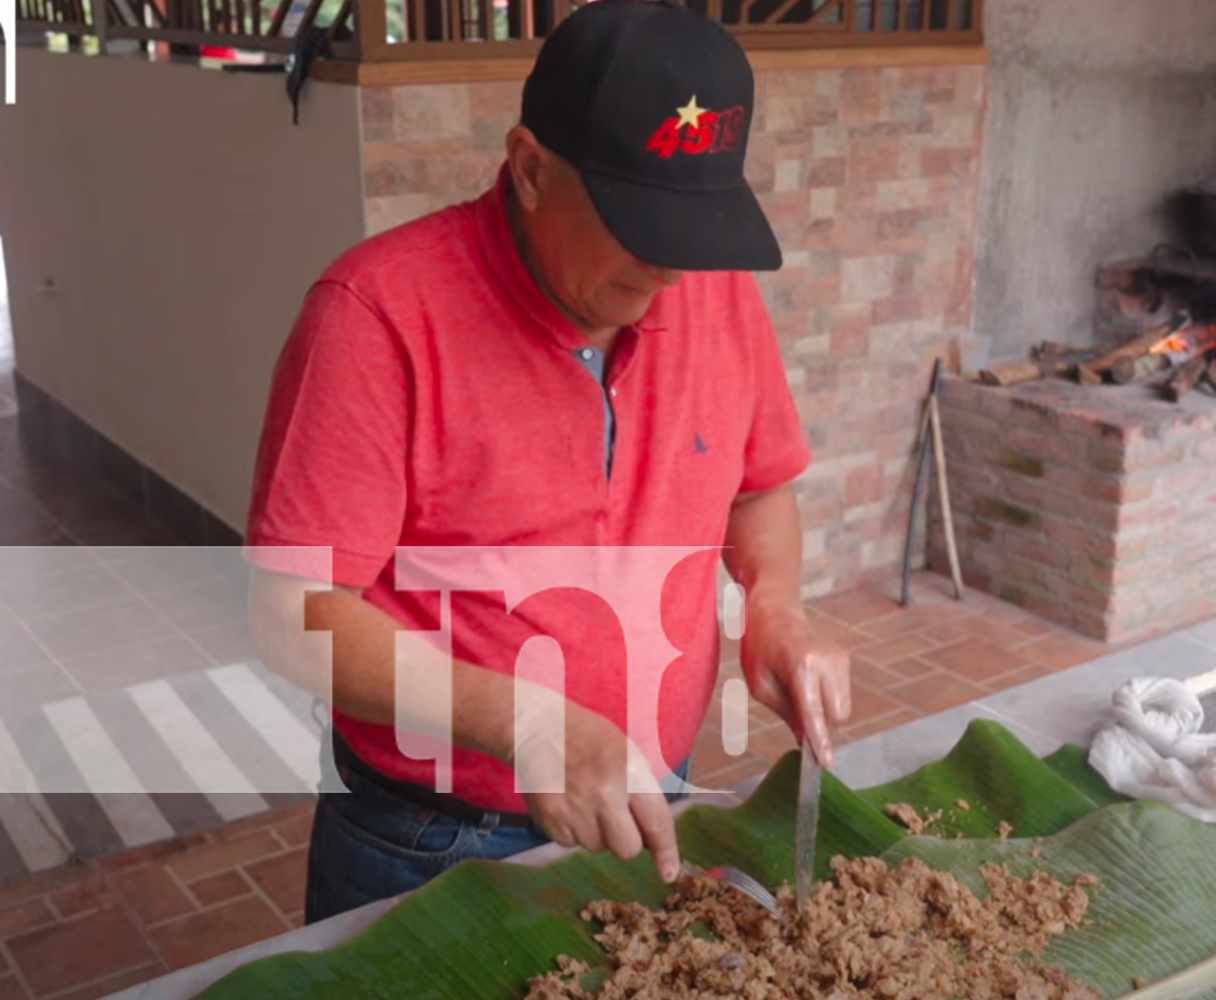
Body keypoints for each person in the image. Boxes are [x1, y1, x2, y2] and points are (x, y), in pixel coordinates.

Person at [242, 0, 851, 925]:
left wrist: (774, 603)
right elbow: (295, 617)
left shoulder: (709, 287)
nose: (669, 273)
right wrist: (526, 724)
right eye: (635, 223)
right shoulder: (376, 317)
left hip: (650, 796)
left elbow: (759, 486)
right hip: (431, 838)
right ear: (529, 168)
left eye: (687, 230)